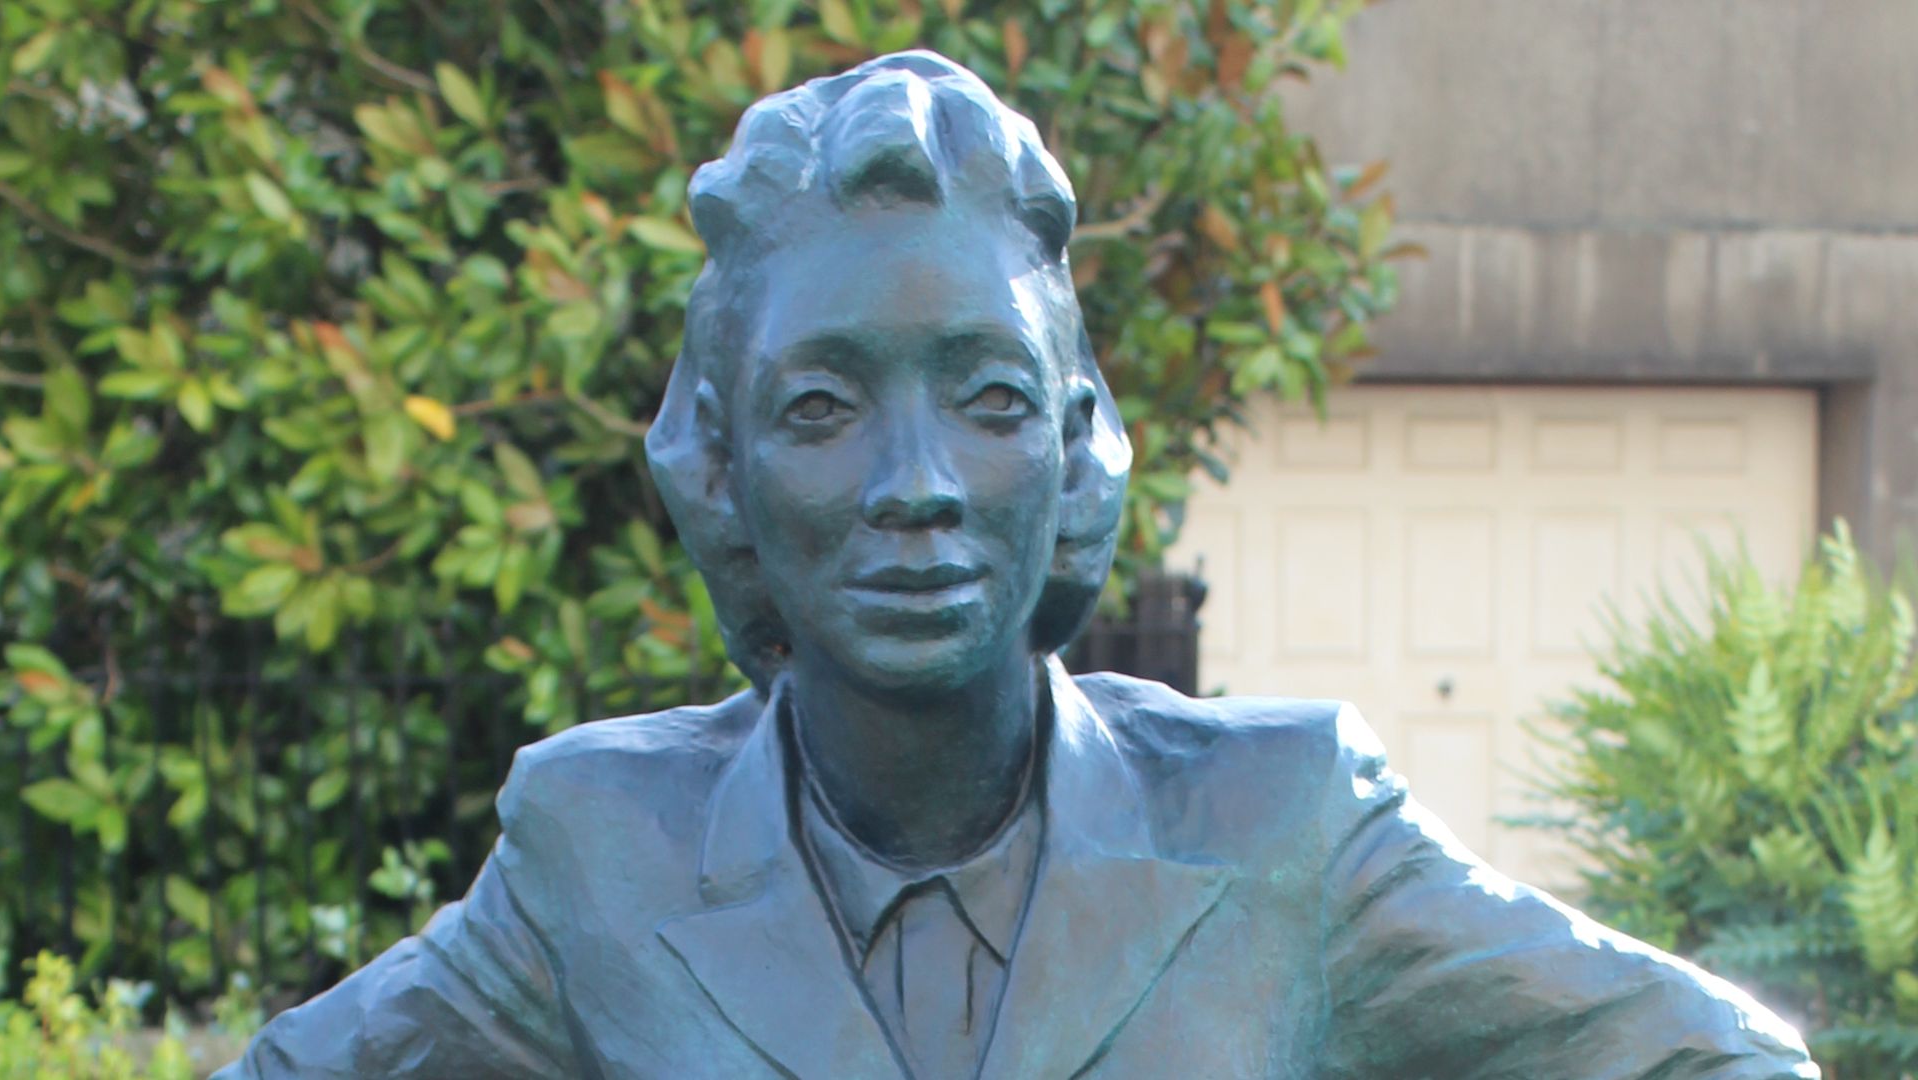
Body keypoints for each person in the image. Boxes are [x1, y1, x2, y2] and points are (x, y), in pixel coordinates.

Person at [216, 51, 1819, 1079]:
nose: (915, 487)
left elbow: (1723, 1064)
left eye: (985, 404)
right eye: (824, 408)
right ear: (721, 464)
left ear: (1071, 447)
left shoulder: (1284, 830)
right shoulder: (600, 856)